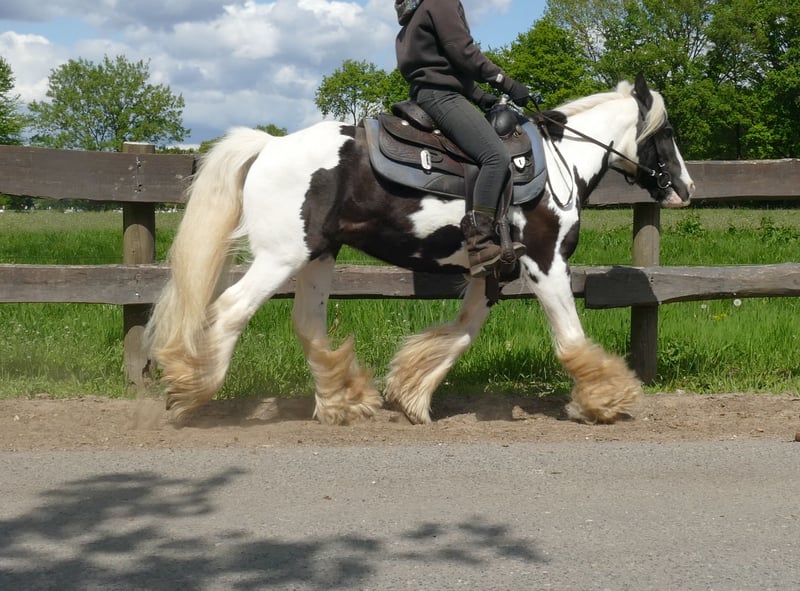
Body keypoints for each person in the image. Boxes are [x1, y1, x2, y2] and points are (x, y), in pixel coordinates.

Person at [394, 0, 532, 278]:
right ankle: (480, 243)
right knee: (495, 157)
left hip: (431, 93)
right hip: (441, 97)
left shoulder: (417, 10)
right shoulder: (440, 2)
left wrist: (480, 97)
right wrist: (506, 83)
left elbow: (443, 64)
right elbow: (463, 51)